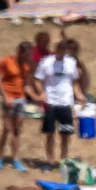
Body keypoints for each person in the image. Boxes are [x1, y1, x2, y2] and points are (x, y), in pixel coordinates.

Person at [34, 38, 82, 170]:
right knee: (50, 133)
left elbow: (75, 81)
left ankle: (63, 160)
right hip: (51, 101)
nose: (61, 52)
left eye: (64, 50)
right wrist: (41, 93)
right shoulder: (46, 62)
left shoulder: (71, 63)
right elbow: (37, 80)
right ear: (56, 49)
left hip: (65, 102)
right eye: (59, 49)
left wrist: (79, 95)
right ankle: (50, 160)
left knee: (65, 134)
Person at [0, 41, 37, 172]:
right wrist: (5, 96)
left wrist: (36, 98)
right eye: (27, 54)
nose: (28, 57)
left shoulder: (27, 66)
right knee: (7, 128)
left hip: (21, 99)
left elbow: (27, 85)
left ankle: (15, 159)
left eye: (30, 55)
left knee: (17, 130)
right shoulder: (6, 62)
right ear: (20, 52)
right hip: (9, 98)